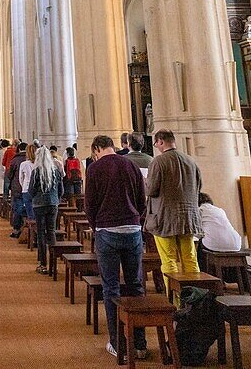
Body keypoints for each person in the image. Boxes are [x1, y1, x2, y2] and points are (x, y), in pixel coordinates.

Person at [84, 135, 147, 360]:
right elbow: (142, 200)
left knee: (111, 288)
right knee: (136, 286)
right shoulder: (131, 164)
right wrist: (135, 220)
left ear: (98, 148)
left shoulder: (94, 168)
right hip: (132, 230)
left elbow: (89, 203)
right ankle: (140, 343)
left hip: (107, 231)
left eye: (95, 153)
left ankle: (118, 343)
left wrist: (96, 225)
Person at [145, 129, 203, 287]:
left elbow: (151, 190)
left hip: (165, 218)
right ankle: (194, 298)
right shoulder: (190, 160)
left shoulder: (159, 161)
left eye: (156, 143)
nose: (156, 146)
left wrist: (145, 182)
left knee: (169, 260)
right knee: (190, 258)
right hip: (188, 218)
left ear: (161, 141)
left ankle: (175, 300)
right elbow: (199, 186)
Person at [29, 146, 63, 275]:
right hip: (53, 204)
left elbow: (31, 189)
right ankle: (53, 265)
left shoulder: (36, 171)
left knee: (41, 233)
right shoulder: (56, 171)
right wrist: (56, 199)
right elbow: (61, 190)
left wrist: (35, 198)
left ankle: (43, 264)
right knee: (51, 232)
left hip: (39, 204)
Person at [5, 141, 29, 238]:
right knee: (28, 208)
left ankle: (17, 229)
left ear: (18, 149)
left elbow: (9, 174)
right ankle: (28, 230)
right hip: (29, 189)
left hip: (17, 188)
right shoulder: (31, 159)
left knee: (18, 208)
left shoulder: (15, 160)